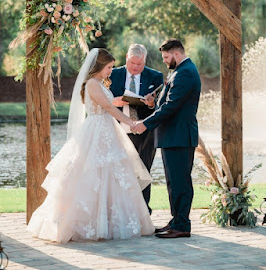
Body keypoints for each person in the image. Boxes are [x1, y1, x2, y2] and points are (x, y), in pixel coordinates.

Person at [27, 48, 154, 243]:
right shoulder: (93, 83)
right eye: (109, 67)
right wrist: (132, 123)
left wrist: (120, 103)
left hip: (107, 129)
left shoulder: (100, 83)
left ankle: (109, 221)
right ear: (99, 66)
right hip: (97, 130)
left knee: (112, 174)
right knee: (92, 173)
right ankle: (87, 222)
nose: (111, 71)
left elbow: (109, 103)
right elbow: (108, 108)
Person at [132, 39, 201, 238]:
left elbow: (171, 107)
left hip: (179, 136)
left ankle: (182, 225)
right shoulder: (179, 71)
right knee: (173, 181)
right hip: (173, 136)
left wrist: (145, 123)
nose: (164, 61)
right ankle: (176, 220)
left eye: (166, 57)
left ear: (176, 54)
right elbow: (165, 103)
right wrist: (153, 103)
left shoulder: (185, 72)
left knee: (180, 182)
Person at [110, 44, 163, 213]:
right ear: (126, 57)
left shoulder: (155, 76)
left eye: (139, 64)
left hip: (144, 133)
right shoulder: (113, 74)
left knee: (143, 171)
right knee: (117, 170)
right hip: (117, 130)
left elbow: (161, 108)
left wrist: (152, 103)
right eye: (132, 63)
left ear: (145, 61)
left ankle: (142, 211)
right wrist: (114, 102)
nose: (135, 67)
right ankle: (120, 210)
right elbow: (100, 99)